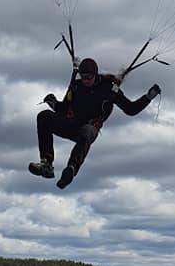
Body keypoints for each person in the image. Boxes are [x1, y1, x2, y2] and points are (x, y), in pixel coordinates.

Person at [29, 57, 161, 189]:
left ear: (95, 75)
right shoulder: (76, 85)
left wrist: (148, 97)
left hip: (89, 129)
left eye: (89, 77)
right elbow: (64, 109)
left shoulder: (109, 88)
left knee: (87, 131)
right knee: (44, 116)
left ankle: (71, 168)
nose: (85, 80)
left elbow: (130, 109)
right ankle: (47, 164)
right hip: (71, 125)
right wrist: (53, 103)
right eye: (83, 77)